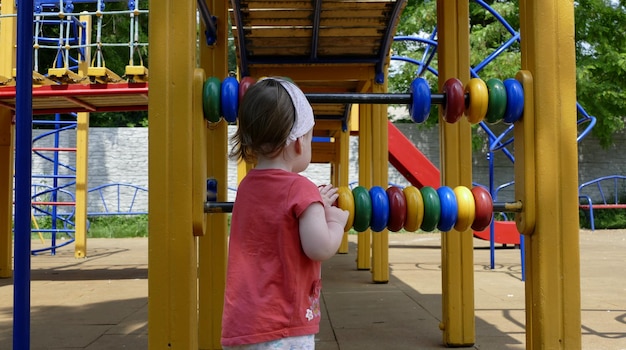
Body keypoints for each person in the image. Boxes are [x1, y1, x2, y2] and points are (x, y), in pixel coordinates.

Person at [221, 77, 350, 350]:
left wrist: (314, 204)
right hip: (283, 327)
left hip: (242, 324)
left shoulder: (247, 187)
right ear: (299, 143)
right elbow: (319, 247)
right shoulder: (301, 189)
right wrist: (334, 221)